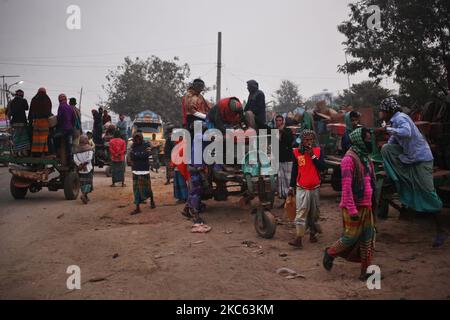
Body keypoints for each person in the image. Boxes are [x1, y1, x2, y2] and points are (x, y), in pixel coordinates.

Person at [376, 97, 446, 247]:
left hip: (421, 160)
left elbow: (406, 132)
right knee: (386, 149)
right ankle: (398, 177)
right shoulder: (394, 121)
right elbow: (392, 144)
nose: (380, 113)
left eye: (382, 110)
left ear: (388, 110)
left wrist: (386, 129)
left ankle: (441, 231)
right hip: (411, 159)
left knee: (428, 193)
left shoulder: (400, 118)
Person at [323, 127, 377, 281]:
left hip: (366, 205)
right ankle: (330, 253)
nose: (369, 142)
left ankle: (365, 271)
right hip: (352, 207)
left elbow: (369, 181)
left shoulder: (366, 158)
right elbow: (346, 187)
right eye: (366, 139)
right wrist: (352, 210)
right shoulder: (349, 159)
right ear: (359, 140)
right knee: (350, 237)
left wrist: (372, 203)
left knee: (368, 238)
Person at [288, 129, 326, 248]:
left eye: (310, 139)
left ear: (313, 140)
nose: (308, 142)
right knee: (301, 212)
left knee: (314, 213)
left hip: (314, 187)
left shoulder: (318, 151)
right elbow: (295, 170)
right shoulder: (297, 152)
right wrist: (291, 186)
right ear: (302, 140)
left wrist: (313, 156)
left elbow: (322, 167)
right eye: (306, 140)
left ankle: (312, 234)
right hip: (301, 187)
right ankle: (299, 238)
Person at [129, 133, 155, 214]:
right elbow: (132, 156)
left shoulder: (146, 145)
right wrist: (140, 155)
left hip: (144, 170)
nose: (137, 140)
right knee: (136, 189)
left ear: (141, 138)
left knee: (147, 188)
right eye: (136, 139)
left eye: (139, 139)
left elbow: (147, 155)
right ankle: (137, 207)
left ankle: (152, 201)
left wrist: (137, 155)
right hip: (136, 170)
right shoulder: (133, 146)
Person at [275, 115, 294, 200]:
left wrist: (282, 131)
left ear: (283, 121)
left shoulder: (288, 131)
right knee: (280, 180)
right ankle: (284, 199)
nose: (278, 122)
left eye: (280, 120)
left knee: (288, 180)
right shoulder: (274, 132)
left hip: (287, 159)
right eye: (277, 120)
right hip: (279, 159)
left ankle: (290, 199)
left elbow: (290, 140)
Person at [29, 87, 52, 155]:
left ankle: (36, 153)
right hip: (44, 123)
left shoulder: (34, 99)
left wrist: (30, 121)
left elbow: (31, 111)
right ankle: (44, 152)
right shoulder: (47, 99)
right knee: (44, 139)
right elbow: (49, 112)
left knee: (36, 139)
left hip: (36, 122)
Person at [7, 90, 30, 156]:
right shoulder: (23, 100)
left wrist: (10, 121)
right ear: (22, 95)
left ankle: (16, 152)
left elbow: (8, 113)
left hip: (14, 123)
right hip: (22, 122)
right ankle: (23, 152)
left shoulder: (11, 102)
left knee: (16, 137)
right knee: (23, 138)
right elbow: (26, 108)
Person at [73, 135, 94, 204]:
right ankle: (84, 195)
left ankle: (85, 196)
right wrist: (84, 164)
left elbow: (75, 159)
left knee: (82, 183)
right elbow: (89, 158)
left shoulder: (76, 150)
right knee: (88, 182)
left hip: (80, 169)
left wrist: (80, 165)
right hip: (88, 168)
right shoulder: (89, 148)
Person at [56, 94, 75, 165]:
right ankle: (70, 160)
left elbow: (59, 118)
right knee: (69, 145)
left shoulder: (61, 106)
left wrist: (59, 126)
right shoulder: (70, 107)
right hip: (70, 129)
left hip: (63, 129)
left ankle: (56, 154)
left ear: (59, 100)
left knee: (53, 137)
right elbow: (73, 119)